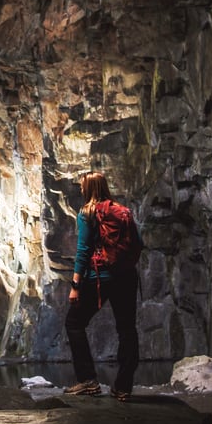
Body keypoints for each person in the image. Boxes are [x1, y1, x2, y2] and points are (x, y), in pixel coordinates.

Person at [63, 171, 139, 401]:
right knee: (127, 329)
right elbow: (139, 244)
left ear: (90, 188)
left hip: (100, 277)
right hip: (126, 277)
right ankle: (123, 388)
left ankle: (88, 381)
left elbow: (83, 251)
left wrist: (75, 284)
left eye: (82, 186)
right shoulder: (123, 212)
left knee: (74, 323)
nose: (80, 189)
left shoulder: (87, 213)